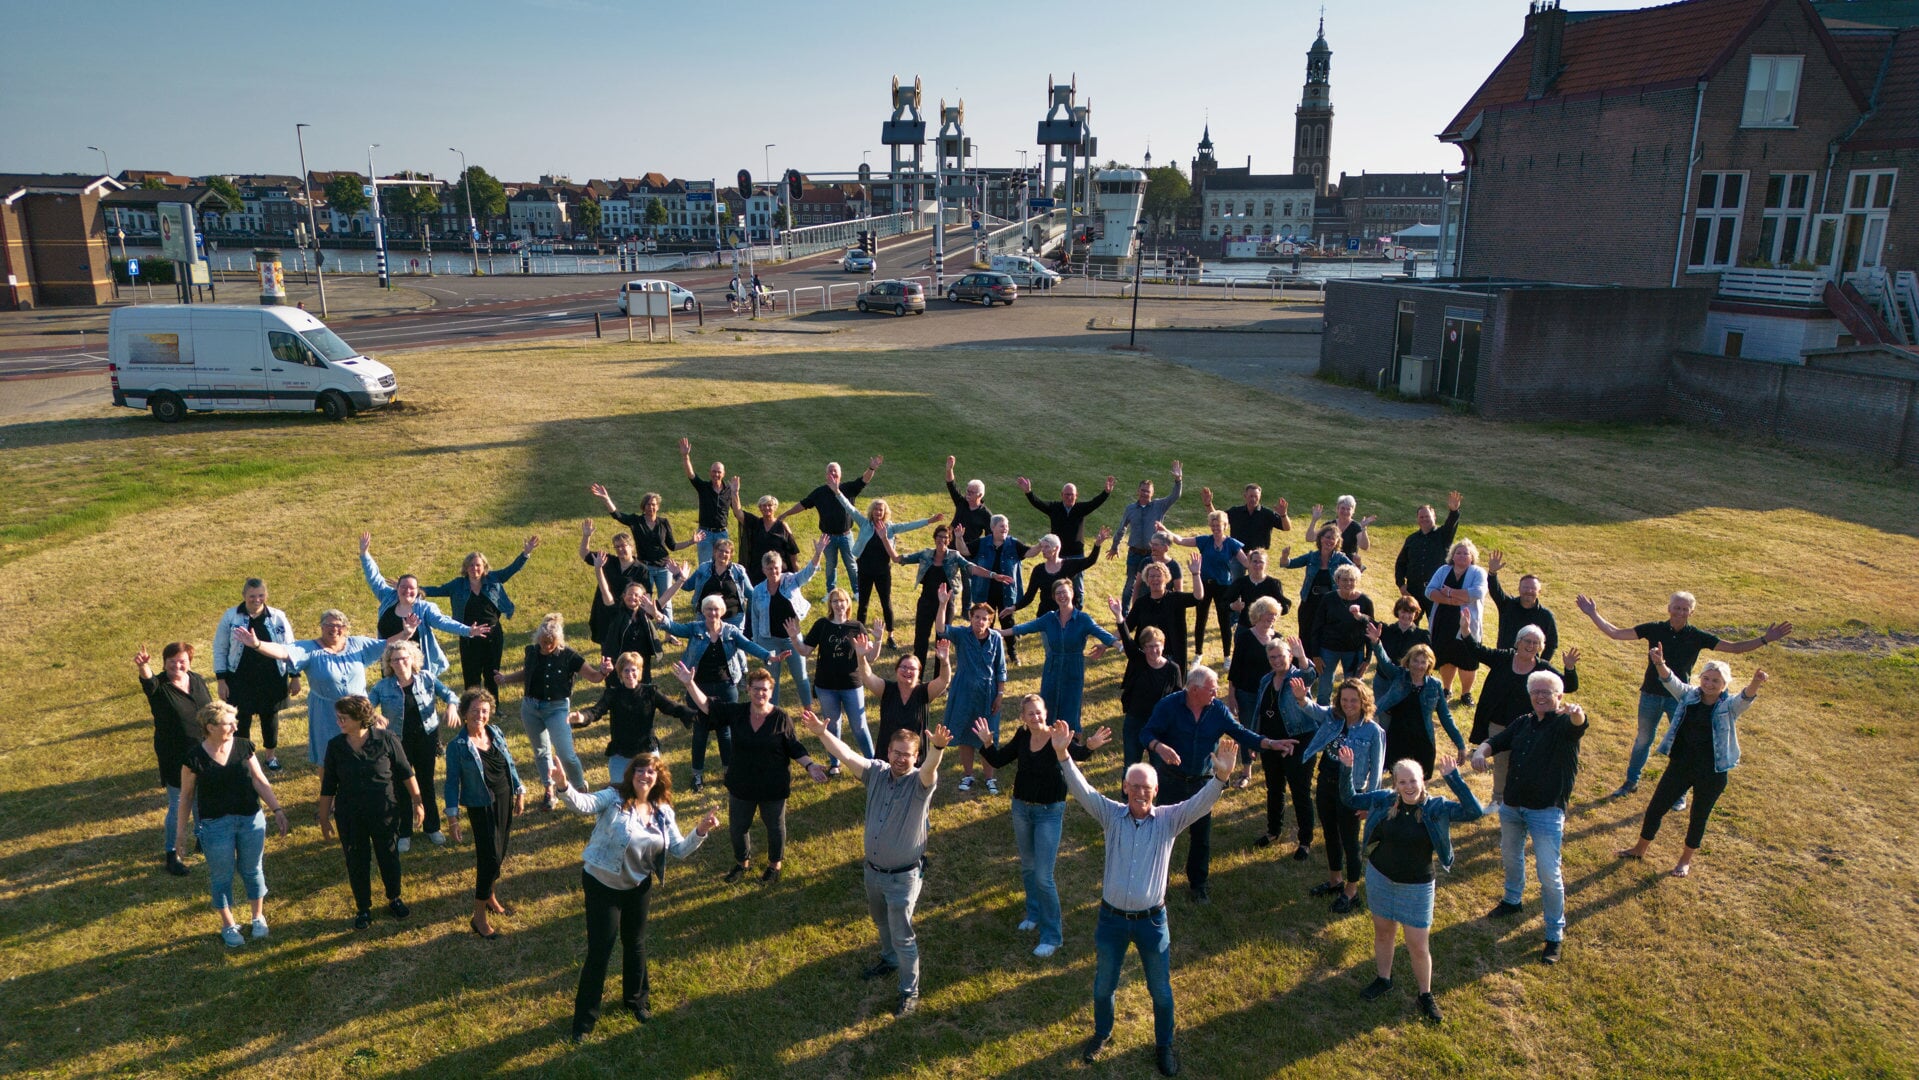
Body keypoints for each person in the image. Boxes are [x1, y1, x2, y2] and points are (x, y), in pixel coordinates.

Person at [1059, 721, 1239, 1075]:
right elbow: (1083, 791)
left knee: (1160, 991)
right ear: (1125, 788)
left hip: (1152, 924)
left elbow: (1200, 804)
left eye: (1147, 788)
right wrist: (1063, 754)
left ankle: (1164, 1045)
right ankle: (1101, 1033)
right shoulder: (1111, 815)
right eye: (1135, 786)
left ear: (1156, 792)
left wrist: (1220, 779)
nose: (1140, 792)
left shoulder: (1169, 820)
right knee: (1102, 986)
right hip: (1111, 920)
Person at [553, 752, 721, 1041]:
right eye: (640, 770)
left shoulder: (663, 811)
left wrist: (700, 831)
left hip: (638, 886)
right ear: (631, 775)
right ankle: (583, 1023)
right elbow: (585, 804)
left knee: (635, 944)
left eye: (651, 772)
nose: (645, 776)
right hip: (601, 883)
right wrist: (564, 786)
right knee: (600, 952)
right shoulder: (614, 797)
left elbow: (679, 850)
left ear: (658, 779)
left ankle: (636, 1001)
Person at [798, 710, 950, 1019]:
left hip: (903, 879)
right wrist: (821, 734)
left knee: (903, 935)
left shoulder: (920, 784)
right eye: (895, 752)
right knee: (881, 922)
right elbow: (848, 755)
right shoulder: (877, 772)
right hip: (873, 872)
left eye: (907, 754)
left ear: (915, 756)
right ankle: (888, 959)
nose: (900, 758)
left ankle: (910, 992)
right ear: (888, 751)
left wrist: (937, 749)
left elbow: (931, 769)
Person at [1575, 591, 1789, 800]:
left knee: (1684, 743)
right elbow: (1615, 633)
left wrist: (1765, 639)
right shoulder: (1654, 629)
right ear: (1669, 609)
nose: (1679, 612)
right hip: (1650, 694)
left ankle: (1680, 791)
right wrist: (1593, 614)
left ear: (1691, 612)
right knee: (1643, 740)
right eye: (1676, 607)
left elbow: (1734, 648)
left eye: (1685, 609)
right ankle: (1631, 782)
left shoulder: (1697, 636)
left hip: (1680, 698)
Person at [1336, 747, 1483, 1024]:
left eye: (1413, 780)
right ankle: (1384, 979)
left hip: (1417, 887)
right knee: (1383, 933)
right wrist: (1346, 768)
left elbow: (1474, 812)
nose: (1408, 787)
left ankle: (1425, 994)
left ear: (1423, 780)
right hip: (1381, 877)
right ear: (1395, 784)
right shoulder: (1384, 800)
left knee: (1417, 945)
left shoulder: (1436, 807)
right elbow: (1349, 798)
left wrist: (1454, 778)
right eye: (1402, 782)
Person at [1141, 666, 1296, 902]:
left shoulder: (1217, 710)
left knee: (1201, 836)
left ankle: (1198, 884)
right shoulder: (1169, 705)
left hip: (1202, 783)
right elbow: (1146, 733)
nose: (1216, 694)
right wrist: (1158, 746)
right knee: (1163, 833)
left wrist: (1270, 743)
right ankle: (1159, 881)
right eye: (1212, 690)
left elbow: (1240, 732)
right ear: (1194, 690)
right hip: (1171, 781)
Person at [1616, 647, 1769, 878]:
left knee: (1699, 816)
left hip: (1713, 773)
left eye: (1715, 680)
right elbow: (1671, 681)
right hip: (1681, 765)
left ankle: (1685, 861)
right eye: (1706, 678)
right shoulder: (1689, 695)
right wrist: (1659, 663)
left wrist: (1756, 682)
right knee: (1656, 808)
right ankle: (1639, 849)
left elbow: (1745, 697)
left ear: (1724, 684)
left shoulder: (1729, 706)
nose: (1709, 683)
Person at [976, 700, 1112, 957]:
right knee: (1028, 866)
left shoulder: (1056, 735)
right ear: (1023, 717)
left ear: (1046, 714)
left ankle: (1052, 936)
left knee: (1043, 876)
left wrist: (1091, 745)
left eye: (1039, 712)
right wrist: (986, 742)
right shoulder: (1022, 735)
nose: (1036, 717)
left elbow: (1077, 754)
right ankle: (1034, 913)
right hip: (1021, 809)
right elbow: (999, 758)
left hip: (1049, 812)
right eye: (1030, 713)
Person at [1471, 670, 1588, 965]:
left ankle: (1554, 935)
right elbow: (1496, 742)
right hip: (1512, 806)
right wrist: (1481, 751)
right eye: (1535, 691)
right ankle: (1512, 900)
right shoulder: (1523, 722)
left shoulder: (1564, 723)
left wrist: (1577, 714)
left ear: (1559, 697)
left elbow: (1579, 724)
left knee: (1549, 873)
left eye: (1546, 692)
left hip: (1546, 811)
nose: (1539, 696)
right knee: (1511, 856)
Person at [675, 664, 826, 884]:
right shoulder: (738, 712)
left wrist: (810, 765)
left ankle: (775, 866)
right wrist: (689, 683)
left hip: (772, 786)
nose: (760, 693)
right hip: (741, 783)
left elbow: (793, 746)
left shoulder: (781, 717)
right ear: (748, 689)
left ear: (771, 692)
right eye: (756, 689)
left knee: (775, 826)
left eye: (765, 689)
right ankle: (742, 863)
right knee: (738, 827)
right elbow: (708, 707)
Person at [233, 610, 413, 766]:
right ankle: (330, 798)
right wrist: (257, 644)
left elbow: (386, 644)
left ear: (346, 628)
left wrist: (405, 633)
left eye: (339, 625)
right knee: (328, 756)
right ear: (321, 626)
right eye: (329, 625)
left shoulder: (358, 645)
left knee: (364, 751)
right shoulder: (309, 648)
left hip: (360, 712)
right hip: (326, 713)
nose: (335, 629)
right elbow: (282, 651)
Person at [177, 700, 290, 947]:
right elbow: (185, 797)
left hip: (251, 819)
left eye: (234, 722)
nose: (235, 727)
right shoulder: (194, 758)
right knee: (222, 876)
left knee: (253, 869)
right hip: (215, 825)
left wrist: (277, 810)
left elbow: (259, 780)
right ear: (210, 727)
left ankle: (258, 916)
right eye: (229, 723)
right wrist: (180, 834)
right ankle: (228, 925)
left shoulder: (243, 746)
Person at [317, 696, 425, 931]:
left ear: (360, 718)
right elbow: (328, 786)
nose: (338, 722)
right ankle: (363, 908)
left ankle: (394, 898)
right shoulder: (335, 746)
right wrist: (324, 818)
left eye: (343, 718)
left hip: (384, 810)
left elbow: (406, 772)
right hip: (350, 815)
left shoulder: (387, 739)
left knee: (388, 854)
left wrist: (418, 801)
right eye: (338, 717)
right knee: (356, 859)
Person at [656, 593, 780, 792]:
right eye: (708, 609)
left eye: (716, 609)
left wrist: (768, 656)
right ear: (703, 611)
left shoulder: (730, 631)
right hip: (698, 688)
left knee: (726, 732)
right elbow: (674, 628)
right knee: (700, 732)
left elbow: (748, 645)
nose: (712, 613)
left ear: (722, 611)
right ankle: (697, 775)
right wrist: (657, 614)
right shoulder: (695, 628)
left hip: (726, 687)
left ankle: (728, 772)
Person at [1288, 675, 1388, 913]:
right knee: (1330, 834)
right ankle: (1335, 881)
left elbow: (1377, 770)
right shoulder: (1333, 717)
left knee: (1350, 842)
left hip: (1353, 792)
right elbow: (1313, 710)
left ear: (1363, 701)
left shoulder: (1373, 731)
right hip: (1326, 783)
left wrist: (1370, 802)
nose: (1348, 704)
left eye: (1354, 700)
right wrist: (1301, 699)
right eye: (1344, 700)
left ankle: (1351, 891)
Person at [1460, 626, 1580, 806]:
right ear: (1518, 642)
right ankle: (1498, 800)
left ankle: (1518, 801)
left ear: (1540, 647)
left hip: (1528, 727)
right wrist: (1465, 630)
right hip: (1498, 723)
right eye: (1527, 641)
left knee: (1521, 764)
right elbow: (1478, 651)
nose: (1531, 645)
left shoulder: (1542, 668)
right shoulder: (1503, 657)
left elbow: (1567, 686)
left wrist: (1569, 668)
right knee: (1501, 764)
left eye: (1536, 643)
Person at [496, 613, 604, 810]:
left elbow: (594, 677)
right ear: (538, 638)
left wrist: (604, 671)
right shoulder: (531, 651)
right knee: (540, 751)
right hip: (530, 707)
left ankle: (580, 789)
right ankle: (549, 789)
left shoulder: (569, 656)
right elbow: (527, 673)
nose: (546, 646)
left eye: (550, 643)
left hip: (557, 709)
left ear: (558, 640)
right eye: (543, 642)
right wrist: (506, 679)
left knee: (566, 753)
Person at [444, 689, 526, 938]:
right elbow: (451, 783)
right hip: (481, 805)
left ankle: (490, 895)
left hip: (504, 797)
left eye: (485, 711)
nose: (480, 715)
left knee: (499, 852)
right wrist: (452, 817)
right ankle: (478, 917)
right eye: (475, 711)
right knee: (489, 858)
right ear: (465, 714)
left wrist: (519, 789)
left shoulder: (496, 733)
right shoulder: (457, 746)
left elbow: (509, 763)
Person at [359, 532, 492, 679]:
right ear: (397, 588)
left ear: (417, 591)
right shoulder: (388, 598)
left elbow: (443, 622)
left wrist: (468, 631)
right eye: (403, 587)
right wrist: (365, 555)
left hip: (417, 667)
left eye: (412, 588)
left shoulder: (424, 608)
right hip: (390, 664)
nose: (407, 591)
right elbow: (374, 578)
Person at [367, 640, 459, 849]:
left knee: (426, 782)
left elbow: (450, 695)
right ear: (389, 663)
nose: (400, 663)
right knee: (400, 785)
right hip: (397, 743)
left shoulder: (426, 678)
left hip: (426, 738)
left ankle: (432, 827)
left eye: (404, 658)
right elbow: (365, 707)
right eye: (395, 660)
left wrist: (452, 706)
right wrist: (374, 716)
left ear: (412, 659)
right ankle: (404, 832)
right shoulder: (382, 686)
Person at [421, 535, 539, 697]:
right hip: (468, 636)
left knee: (492, 674)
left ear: (484, 567)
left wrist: (526, 553)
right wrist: (410, 588)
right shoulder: (458, 585)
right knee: (471, 676)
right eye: (471, 565)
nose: (474, 568)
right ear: (466, 568)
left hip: (493, 635)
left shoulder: (493, 579)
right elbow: (435, 590)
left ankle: (493, 706)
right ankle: (470, 708)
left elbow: (511, 569)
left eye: (478, 565)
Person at [138, 642, 212, 877]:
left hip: (203, 751)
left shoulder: (197, 680)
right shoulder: (160, 686)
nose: (178, 666)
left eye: (182, 661)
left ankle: (202, 840)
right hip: (175, 757)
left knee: (203, 799)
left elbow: (209, 709)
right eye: (173, 662)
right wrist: (144, 667)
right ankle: (172, 853)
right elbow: (148, 682)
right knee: (179, 804)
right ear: (164, 663)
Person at [571, 651, 700, 784]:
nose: (630, 674)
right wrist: (582, 717)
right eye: (626, 670)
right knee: (619, 794)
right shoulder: (613, 694)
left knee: (650, 793)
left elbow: (672, 707)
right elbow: (595, 711)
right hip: (621, 753)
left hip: (647, 752)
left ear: (639, 672)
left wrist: (695, 714)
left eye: (634, 670)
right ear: (620, 673)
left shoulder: (650, 692)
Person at [1005, 580, 1117, 732]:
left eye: (1065, 592)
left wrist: (1121, 646)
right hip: (1052, 667)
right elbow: (1025, 627)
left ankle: (1072, 747)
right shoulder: (1049, 618)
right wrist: (999, 633)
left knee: (1071, 709)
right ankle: (1047, 746)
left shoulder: (1083, 619)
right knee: (1048, 708)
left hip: (1074, 668)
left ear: (1072, 593)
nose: (1062, 596)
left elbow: (1102, 633)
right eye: (1058, 593)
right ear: (1053, 597)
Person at [212, 578, 297, 772]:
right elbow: (220, 648)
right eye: (252, 596)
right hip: (240, 680)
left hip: (272, 679)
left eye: (260, 595)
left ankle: (270, 756)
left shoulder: (277, 617)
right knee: (241, 721)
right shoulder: (230, 617)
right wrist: (221, 680)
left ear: (266, 596)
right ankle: (244, 758)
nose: (257, 600)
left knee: (270, 720)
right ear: (244, 596)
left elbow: (290, 647)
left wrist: (295, 676)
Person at [900, 525, 1010, 668]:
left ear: (949, 540)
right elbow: (899, 559)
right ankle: (916, 677)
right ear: (934, 538)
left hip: (947, 603)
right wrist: (884, 537)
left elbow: (972, 567)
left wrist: (993, 575)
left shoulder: (954, 556)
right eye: (939, 536)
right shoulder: (926, 554)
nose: (942, 540)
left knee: (942, 641)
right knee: (920, 641)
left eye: (946, 537)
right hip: (926, 602)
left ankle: (938, 681)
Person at [1364, 625, 1466, 778]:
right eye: (1415, 661)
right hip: (1398, 738)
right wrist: (1377, 643)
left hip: (1423, 741)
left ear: (1429, 664)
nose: (1419, 666)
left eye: (1423, 662)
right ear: (1408, 661)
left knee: (1420, 785)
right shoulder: (1399, 676)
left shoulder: (1435, 685)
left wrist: (1460, 744)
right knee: (1398, 782)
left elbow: (1446, 717)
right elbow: (1385, 663)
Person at [934, 591, 1010, 793]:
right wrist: (943, 604)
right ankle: (968, 775)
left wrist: (1000, 694)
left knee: (987, 736)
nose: (980, 621)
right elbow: (941, 629)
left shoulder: (995, 639)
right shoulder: (961, 634)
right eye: (977, 617)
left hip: (988, 693)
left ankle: (989, 778)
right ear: (971, 617)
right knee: (965, 734)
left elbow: (1001, 669)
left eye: (985, 618)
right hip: (964, 691)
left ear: (990, 620)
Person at [1251, 637, 1319, 857]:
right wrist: (1254, 740)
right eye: (1272, 657)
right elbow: (1259, 712)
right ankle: (1273, 831)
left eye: (1281, 655)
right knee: (1274, 788)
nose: (1277, 660)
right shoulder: (1265, 680)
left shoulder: (1297, 676)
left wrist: (1302, 657)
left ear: (1289, 656)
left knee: (1299, 791)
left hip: (1299, 741)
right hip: (1272, 743)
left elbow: (1311, 675)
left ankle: (1305, 841)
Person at [790, 587, 870, 769]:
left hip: (852, 685)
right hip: (826, 686)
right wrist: (795, 637)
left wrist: (879, 641)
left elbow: (871, 657)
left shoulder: (856, 627)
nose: (839, 604)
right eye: (835, 601)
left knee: (860, 727)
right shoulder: (822, 625)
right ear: (830, 605)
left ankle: (873, 762)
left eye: (842, 600)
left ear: (848, 603)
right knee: (832, 727)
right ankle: (835, 764)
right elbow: (805, 651)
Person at [848, 497, 940, 652]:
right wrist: (837, 492)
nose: (878, 512)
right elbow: (850, 508)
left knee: (886, 603)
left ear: (885, 513)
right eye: (876, 509)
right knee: (863, 603)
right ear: (872, 511)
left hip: (883, 572)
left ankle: (890, 636)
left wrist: (929, 521)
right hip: (864, 570)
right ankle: (860, 635)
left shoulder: (890, 528)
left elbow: (909, 526)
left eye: (881, 510)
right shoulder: (864, 524)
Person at [780, 456, 882, 595]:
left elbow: (864, 480)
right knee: (830, 566)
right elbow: (803, 504)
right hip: (827, 537)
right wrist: (786, 513)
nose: (833, 474)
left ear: (840, 475)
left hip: (846, 536)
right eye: (830, 471)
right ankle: (830, 593)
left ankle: (857, 592)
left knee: (851, 565)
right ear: (826, 475)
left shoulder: (848, 488)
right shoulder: (819, 493)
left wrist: (871, 468)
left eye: (836, 472)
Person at [748, 539, 826, 708]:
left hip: (792, 639)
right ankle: (772, 711)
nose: (773, 571)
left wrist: (818, 553)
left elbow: (808, 572)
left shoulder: (790, 580)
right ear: (763, 570)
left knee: (801, 676)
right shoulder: (758, 591)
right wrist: (757, 642)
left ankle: (808, 710)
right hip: (768, 640)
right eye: (769, 568)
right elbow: (754, 617)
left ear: (781, 566)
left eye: (776, 567)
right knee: (771, 680)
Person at [592, 483, 699, 606]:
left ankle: (667, 624)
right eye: (648, 504)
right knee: (644, 601)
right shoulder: (636, 522)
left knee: (666, 603)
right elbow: (617, 515)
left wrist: (691, 542)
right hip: (645, 568)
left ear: (657, 507)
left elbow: (672, 546)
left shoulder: (663, 523)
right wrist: (606, 499)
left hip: (664, 568)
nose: (651, 507)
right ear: (643, 506)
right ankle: (644, 623)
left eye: (653, 504)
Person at [1109, 603, 1187, 766]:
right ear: (1143, 648)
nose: (1153, 651)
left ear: (1163, 645)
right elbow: (1127, 639)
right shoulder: (1138, 660)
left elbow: (1179, 698)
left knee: (1158, 767)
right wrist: (1118, 616)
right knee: (1131, 765)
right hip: (1135, 720)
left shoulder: (1173, 669)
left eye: (1156, 646)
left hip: (1160, 724)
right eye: (1148, 647)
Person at [1167, 511, 1250, 660]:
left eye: (1218, 525)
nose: (1215, 528)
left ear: (1225, 526)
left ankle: (1226, 656)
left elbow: (1246, 563)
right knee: (1201, 619)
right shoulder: (1205, 540)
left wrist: (1257, 561)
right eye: (1212, 525)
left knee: (1224, 620)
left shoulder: (1231, 544)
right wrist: (1164, 530)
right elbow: (1180, 540)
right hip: (1204, 585)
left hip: (1223, 586)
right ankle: (1198, 654)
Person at [1224, 595, 1287, 785]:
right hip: (1247, 693)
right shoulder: (1245, 637)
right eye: (1269, 614)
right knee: (1247, 730)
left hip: (1271, 694)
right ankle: (1246, 771)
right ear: (1258, 614)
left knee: (1271, 728)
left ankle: (1272, 764)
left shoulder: (1278, 639)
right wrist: (1232, 695)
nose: (1272, 618)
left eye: (1275, 614)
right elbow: (1235, 668)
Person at [860, 640, 954, 764]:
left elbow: (944, 680)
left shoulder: (924, 692)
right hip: (886, 757)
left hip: (915, 759)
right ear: (896, 670)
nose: (907, 671)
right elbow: (867, 676)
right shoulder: (886, 689)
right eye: (903, 667)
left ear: (919, 673)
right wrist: (861, 656)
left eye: (912, 668)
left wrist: (944, 660)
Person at [1424, 539, 1488, 704]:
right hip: (1443, 621)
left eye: (1466, 553)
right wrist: (1453, 600)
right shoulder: (1444, 570)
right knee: (1446, 657)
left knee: (1467, 660)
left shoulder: (1477, 572)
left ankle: (1466, 694)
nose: (1461, 555)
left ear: (1472, 557)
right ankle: (1446, 689)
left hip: (1466, 624)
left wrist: (1450, 592)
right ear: (1452, 556)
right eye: (1458, 552)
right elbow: (1429, 591)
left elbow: (1477, 593)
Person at [1111, 462, 1184, 599]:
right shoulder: (1130, 509)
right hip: (1134, 554)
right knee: (1130, 586)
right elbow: (1122, 529)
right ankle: (1127, 615)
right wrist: (1115, 546)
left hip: (1153, 554)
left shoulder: (1159, 506)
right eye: (1142, 490)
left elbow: (1174, 496)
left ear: (1152, 493)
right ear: (1138, 491)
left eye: (1148, 491)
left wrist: (1178, 480)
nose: (1145, 493)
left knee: (1151, 586)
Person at [1282, 525, 1355, 661]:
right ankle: (1302, 665)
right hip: (1309, 603)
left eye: (1333, 539)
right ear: (1320, 538)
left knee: (1323, 635)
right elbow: (1288, 564)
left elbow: (1356, 572)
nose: (1329, 541)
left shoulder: (1340, 558)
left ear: (1337, 542)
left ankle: (1320, 667)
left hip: (1329, 605)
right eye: (1327, 537)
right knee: (1305, 634)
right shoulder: (1312, 557)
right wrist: (1285, 557)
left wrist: (1357, 565)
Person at [579, 520, 655, 649]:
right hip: (605, 609)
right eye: (617, 546)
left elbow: (646, 593)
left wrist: (644, 614)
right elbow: (584, 554)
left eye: (623, 546)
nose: (620, 549)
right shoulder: (607, 560)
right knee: (607, 644)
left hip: (627, 613)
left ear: (631, 547)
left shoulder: (641, 569)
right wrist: (586, 536)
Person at [593, 555, 668, 683]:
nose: (633, 597)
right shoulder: (615, 611)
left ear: (642, 598)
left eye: (636, 595)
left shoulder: (647, 612)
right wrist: (598, 569)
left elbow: (664, 598)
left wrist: (681, 580)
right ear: (623, 596)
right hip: (618, 665)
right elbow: (605, 591)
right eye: (630, 594)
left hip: (641, 667)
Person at [967, 514, 1029, 662]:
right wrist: (957, 537)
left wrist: (1042, 545)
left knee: (1008, 622)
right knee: (985, 622)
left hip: (1006, 593)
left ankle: (1012, 654)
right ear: (992, 527)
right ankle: (984, 651)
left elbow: (1029, 552)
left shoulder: (1013, 544)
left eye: (1007, 526)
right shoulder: (982, 543)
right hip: (985, 591)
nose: (1005, 528)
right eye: (1002, 525)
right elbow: (965, 551)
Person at [1311, 564, 1377, 703]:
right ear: (1337, 581)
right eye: (1344, 579)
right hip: (1328, 650)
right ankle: (1323, 722)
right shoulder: (1328, 599)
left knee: (1354, 691)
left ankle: (1350, 722)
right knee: (1324, 690)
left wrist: (1367, 659)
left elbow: (1370, 630)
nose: (1348, 583)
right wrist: (1316, 654)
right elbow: (1317, 627)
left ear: (1357, 581)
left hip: (1354, 652)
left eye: (1352, 579)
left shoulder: (1365, 601)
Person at [1125, 556, 1203, 672]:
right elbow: (1126, 627)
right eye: (1151, 576)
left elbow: (1197, 597)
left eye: (1158, 576)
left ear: (1166, 579)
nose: (1155, 579)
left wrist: (1196, 574)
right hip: (1147, 657)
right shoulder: (1141, 603)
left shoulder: (1175, 598)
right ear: (1147, 580)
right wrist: (1106, 643)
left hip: (1172, 658)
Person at [1013, 529, 1111, 621]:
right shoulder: (1038, 570)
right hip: (1046, 617)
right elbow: (1029, 596)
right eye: (1042, 547)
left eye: (1046, 547)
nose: (1043, 550)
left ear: (1056, 548)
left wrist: (1097, 545)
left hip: (1068, 616)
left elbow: (1090, 561)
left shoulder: (1069, 565)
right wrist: (1014, 607)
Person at [1392, 491, 1462, 620]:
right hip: (1413, 591)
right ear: (1418, 519)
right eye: (1421, 517)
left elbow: (1451, 524)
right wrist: (1401, 585)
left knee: (1436, 627)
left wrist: (1454, 511)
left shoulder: (1443, 535)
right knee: (1410, 626)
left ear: (1434, 517)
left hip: (1436, 590)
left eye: (1427, 516)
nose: (1424, 519)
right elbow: (1401, 563)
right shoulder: (1411, 539)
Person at [1205, 482, 1290, 586]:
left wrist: (1283, 515)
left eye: (1256, 496)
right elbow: (1217, 518)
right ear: (1245, 496)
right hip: (1237, 555)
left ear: (1260, 497)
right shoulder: (1236, 512)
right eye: (1250, 496)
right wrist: (1208, 504)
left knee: (1256, 585)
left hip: (1257, 557)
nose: (1253, 499)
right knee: (1235, 584)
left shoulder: (1267, 514)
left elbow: (1286, 528)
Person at [1018, 472, 1115, 562]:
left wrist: (1106, 492)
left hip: (1077, 556)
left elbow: (1095, 502)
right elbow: (1038, 503)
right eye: (1066, 494)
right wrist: (1028, 493)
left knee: (1077, 581)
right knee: (1057, 581)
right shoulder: (1054, 508)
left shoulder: (1081, 509)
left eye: (1072, 495)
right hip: (1057, 555)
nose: (1069, 497)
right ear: (1062, 495)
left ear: (1076, 495)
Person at [1485, 550, 1556, 659]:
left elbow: (1552, 644)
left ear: (1539, 592)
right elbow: (1495, 591)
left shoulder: (1545, 616)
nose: (1529, 591)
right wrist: (1492, 573)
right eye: (1526, 588)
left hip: (1528, 665)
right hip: (1503, 660)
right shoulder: (1507, 605)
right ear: (1519, 589)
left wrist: (1540, 664)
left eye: (1533, 588)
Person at [676, 539, 752, 632]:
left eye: (727, 552)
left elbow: (751, 594)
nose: (723, 554)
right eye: (720, 550)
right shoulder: (703, 568)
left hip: (732, 620)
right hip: (706, 618)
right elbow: (687, 586)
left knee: (731, 646)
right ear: (715, 551)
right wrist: (677, 575)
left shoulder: (739, 571)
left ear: (731, 555)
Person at [679, 437, 733, 567]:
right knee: (705, 567)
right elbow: (691, 474)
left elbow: (737, 509)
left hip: (722, 533)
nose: (716, 474)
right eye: (714, 472)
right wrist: (686, 456)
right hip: (705, 534)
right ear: (710, 473)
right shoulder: (703, 488)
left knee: (723, 565)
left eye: (719, 472)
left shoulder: (729, 490)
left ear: (723, 474)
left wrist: (736, 493)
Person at [733, 486, 800, 588]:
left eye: (769, 505)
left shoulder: (782, 527)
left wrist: (796, 574)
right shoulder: (755, 523)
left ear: (775, 507)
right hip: (757, 572)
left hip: (777, 571)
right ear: (759, 508)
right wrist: (735, 493)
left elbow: (792, 552)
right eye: (763, 505)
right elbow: (738, 513)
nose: (766, 508)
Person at [1223, 547, 1290, 624]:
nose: (1257, 565)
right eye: (1255, 561)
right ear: (1249, 562)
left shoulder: (1273, 583)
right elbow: (1224, 603)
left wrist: (1273, 611)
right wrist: (1232, 606)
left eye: (1261, 562)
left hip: (1265, 628)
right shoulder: (1241, 582)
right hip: (1244, 626)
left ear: (1266, 564)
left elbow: (1285, 607)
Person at [1306, 495, 1374, 569]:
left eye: (1348, 509)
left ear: (1353, 511)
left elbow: (1364, 547)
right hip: (1327, 563)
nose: (1345, 511)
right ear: (1337, 509)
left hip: (1346, 566)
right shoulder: (1329, 525)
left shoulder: (1355, 527)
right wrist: (1314, 520)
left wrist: (1364, 529)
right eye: (1342, 508)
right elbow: (1310, 538)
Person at [943, 455, 993, 555]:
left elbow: (990, 538)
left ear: (980, 495)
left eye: (971, 492)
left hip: (967, 552)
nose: (968, 494)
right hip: (949, 547)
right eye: (967, 491)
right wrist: (949, 469)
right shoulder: (961, 503)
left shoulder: (986, 514)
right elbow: (951, 485)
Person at [1378, 596, 1431, 670]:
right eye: (1403, 612)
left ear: (1415, 614)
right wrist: (1359, 616)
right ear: (1397, 612)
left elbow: (1429, 662)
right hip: (1384, 677)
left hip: (1409, 679)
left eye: (1410, 613)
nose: (1406, 616)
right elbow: (1368, 621)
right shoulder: (1387, 630)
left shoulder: (1422, 636)